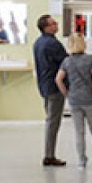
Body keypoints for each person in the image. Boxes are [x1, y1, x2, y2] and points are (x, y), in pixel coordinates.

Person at [54, 35, 92, 167]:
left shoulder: (67, 61)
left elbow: (58, 79)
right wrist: (88, 84)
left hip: (74, 100)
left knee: (79, 131)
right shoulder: (89, 59)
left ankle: (82, 161)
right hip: (88, 99)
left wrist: (66, 93)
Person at [31, 15, 69, 167]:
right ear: (46, 27)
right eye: (53, 23)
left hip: (44, 86)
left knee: (50, 119)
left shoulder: (38, 43)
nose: (56, 24)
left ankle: (49, 154)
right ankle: (49, 155)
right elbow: (66, 62)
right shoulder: (53, 44)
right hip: (55, 87)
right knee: (53, 122)